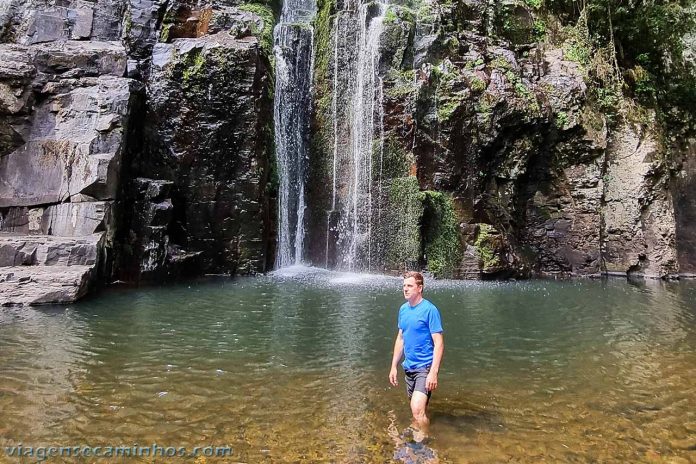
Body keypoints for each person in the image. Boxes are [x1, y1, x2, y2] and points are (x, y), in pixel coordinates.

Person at [389, 271, 444, 441]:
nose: (405, 289)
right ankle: (417, 437)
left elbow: (439, 343)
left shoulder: (429, 310)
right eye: (404, 285)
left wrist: (433, 372)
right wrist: (393, 367)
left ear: (419, 288)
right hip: (409, 368)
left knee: (417, 410)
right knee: (417, 412)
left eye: (410, 286)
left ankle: (425, 447)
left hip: (424, 368)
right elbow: (401, 338)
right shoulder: (403, 310)